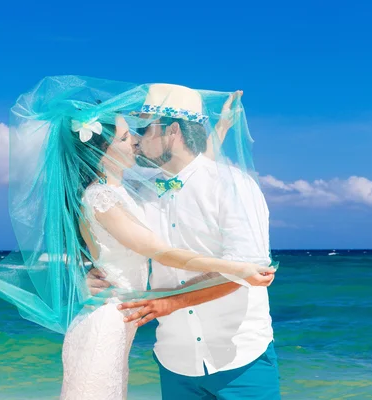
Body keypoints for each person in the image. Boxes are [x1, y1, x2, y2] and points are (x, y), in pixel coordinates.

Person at [117, 84, 281, 399]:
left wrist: (170, 302)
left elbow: (246, 271)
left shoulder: (233, 186)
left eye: (144, 128)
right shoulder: (141, 192)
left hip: (241, 359)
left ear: (172, 131)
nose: (137, 139)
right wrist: (94, 273)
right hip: (174, 360)